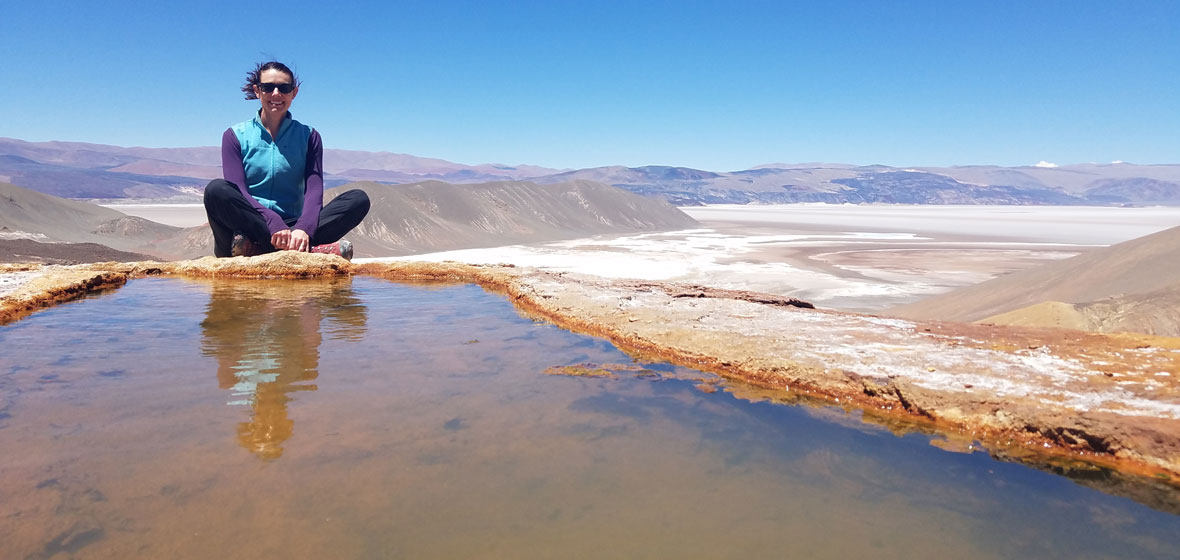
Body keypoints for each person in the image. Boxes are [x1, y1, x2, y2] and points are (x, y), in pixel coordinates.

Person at [203, 61, 369, 259]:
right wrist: (271, 220)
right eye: (268, 87)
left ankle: (266, 249)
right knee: (216, 190)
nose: (276, 94)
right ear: (257, 91)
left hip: (293, 227)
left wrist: (304, 228)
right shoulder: (235, 135)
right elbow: (238, 190)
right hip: (252, 224)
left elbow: (314, 189)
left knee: (358, 199)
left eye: (284, 88)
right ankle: (306, 251)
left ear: (294, 93)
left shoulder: (309, 136)